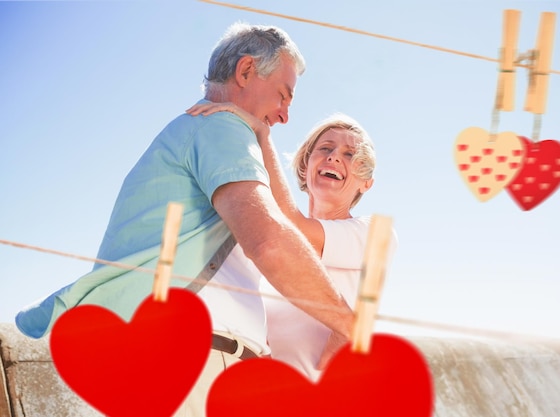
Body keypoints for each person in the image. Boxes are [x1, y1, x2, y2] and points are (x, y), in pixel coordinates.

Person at [15, 22, 355, 415]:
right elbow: (271, 242)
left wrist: (262, 135)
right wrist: (350, 325)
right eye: (283, 95)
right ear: (245, 72)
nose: (284, 115)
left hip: (188, 363)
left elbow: (285, 223)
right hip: (198, 366)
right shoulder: (221, 127)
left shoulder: (198, 131)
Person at [186, 101, 398, 381]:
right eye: (325, 148)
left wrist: (262, 135)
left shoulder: (374, 233)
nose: (334, 157)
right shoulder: (270, 257)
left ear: (365, 182)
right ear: (305, 164)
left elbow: (292, 224)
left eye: (350, 154)